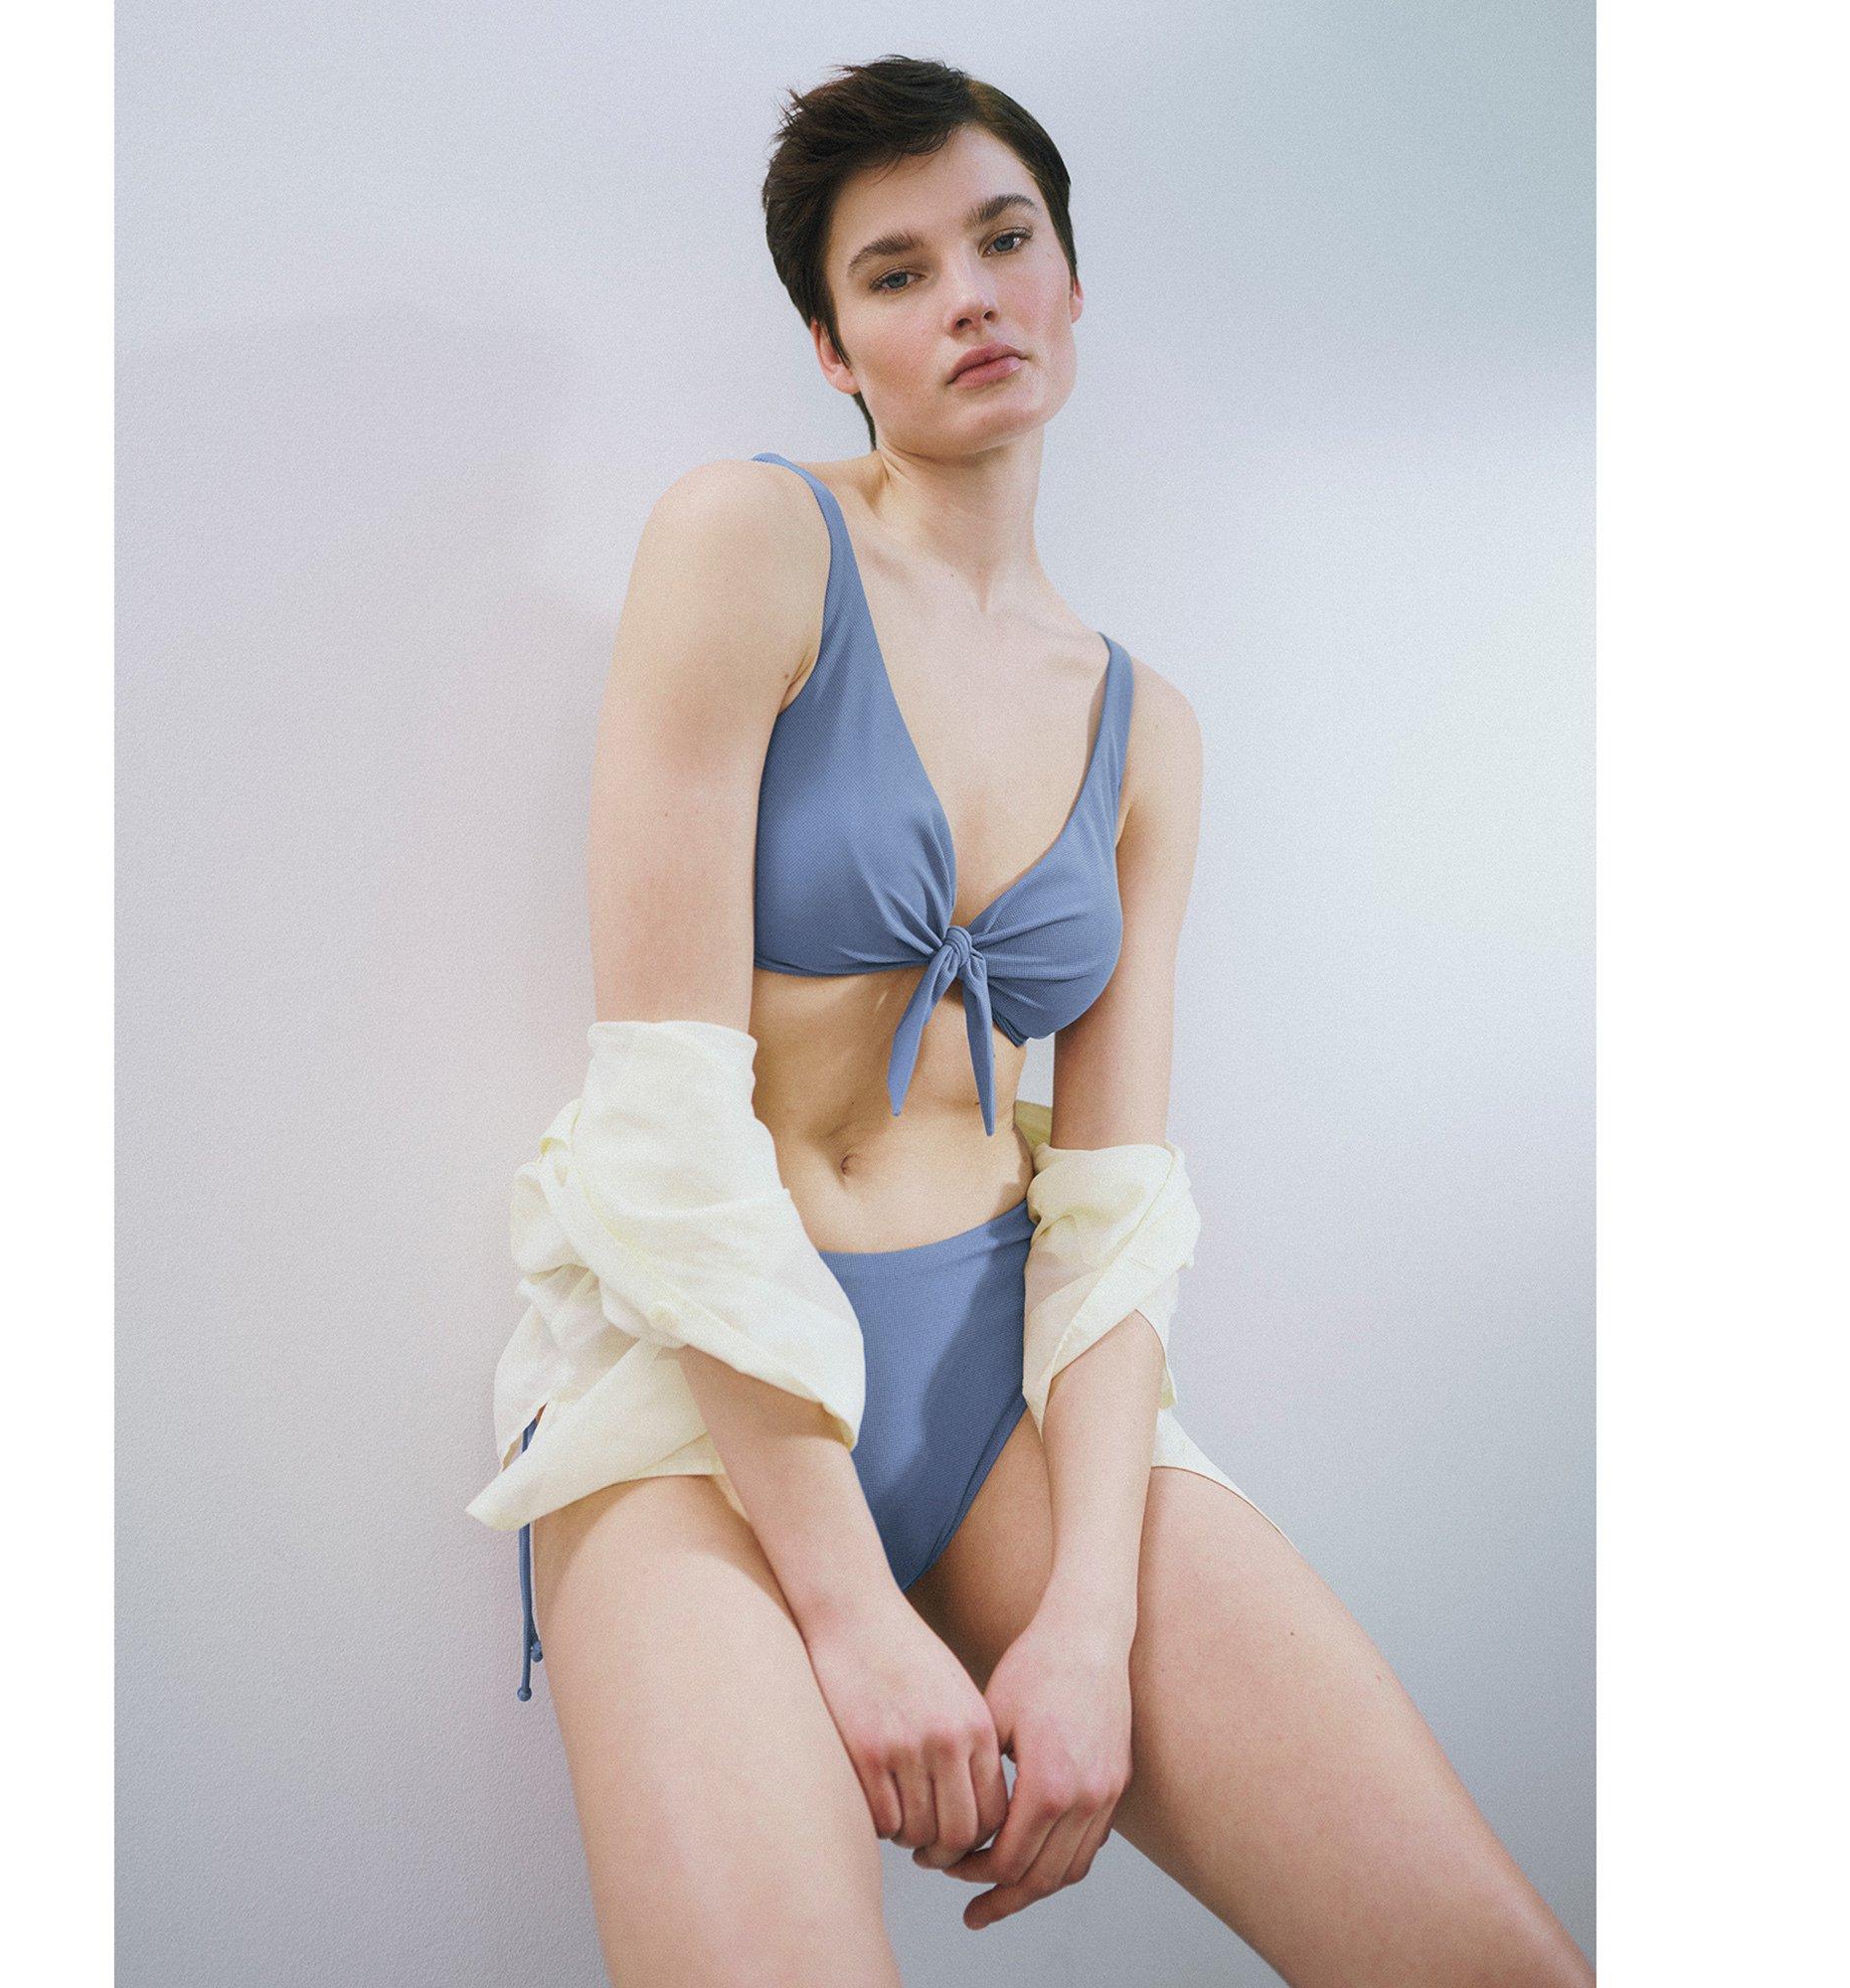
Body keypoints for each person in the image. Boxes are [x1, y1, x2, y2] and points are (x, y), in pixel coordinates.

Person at [494, 55, 1594, 1988]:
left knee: (1483, 1959)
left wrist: (1087, 1627)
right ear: (830, 347)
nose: (970, 297)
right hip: (695, 1390)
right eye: (896, 272)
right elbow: (659, 1123)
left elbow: (1113, 1202)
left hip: (1000, 1383)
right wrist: (852, 1611)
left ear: (1072, 281)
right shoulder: (746, 542)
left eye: (1004, 240)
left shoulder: (1146, 728)